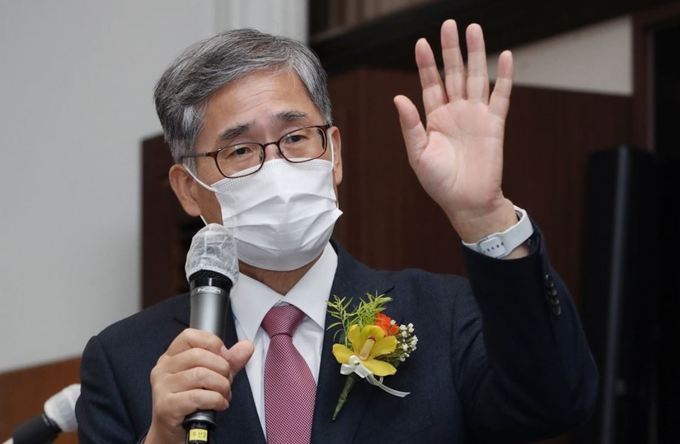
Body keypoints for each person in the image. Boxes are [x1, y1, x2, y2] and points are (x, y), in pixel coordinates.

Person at [76, 20, 597, 443]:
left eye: (296, 137)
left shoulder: (442, 315)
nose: (276, 167)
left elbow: (555, 404)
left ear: (335, 153)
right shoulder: (126, 360)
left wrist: (484, 215)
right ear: (189, 190)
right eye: (240, 150)